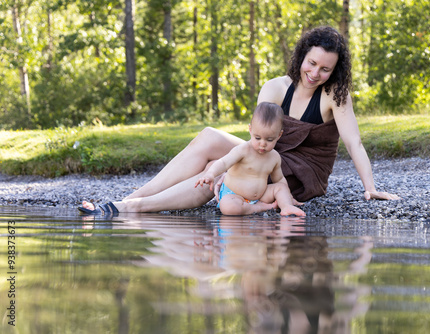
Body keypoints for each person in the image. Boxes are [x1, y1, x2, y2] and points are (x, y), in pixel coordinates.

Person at [78, 25, 399, 216]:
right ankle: (133, 198)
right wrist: (223, 166)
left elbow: (353, 141)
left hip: (300, 174)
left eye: (325, 69)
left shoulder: (334, 95)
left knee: (230, 168)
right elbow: (257, 140)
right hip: (269, 155)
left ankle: (132, 209)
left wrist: (370, 188)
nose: (315, 73)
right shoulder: (275, 88)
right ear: (301, 56)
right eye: (311, 63)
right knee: (208, 138)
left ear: (335, 71)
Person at [194, 102, 305, 216]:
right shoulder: (243, 150)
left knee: (280, 188)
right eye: (257, 138)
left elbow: (279, 179)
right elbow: (223, 162)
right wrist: (211, 174)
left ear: (279, 135)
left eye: (269, 140)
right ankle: (257, 208)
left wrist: (288, 197)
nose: (262, 144)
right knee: (228, 207)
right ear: (250, 129)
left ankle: (286, 206)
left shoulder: (274, 157)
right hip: (234, 195)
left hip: (261, 196)